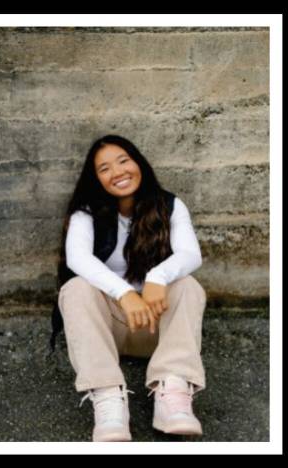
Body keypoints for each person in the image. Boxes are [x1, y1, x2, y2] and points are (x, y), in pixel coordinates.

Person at [57, 134, 206, 442]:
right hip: (106, 333)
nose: (118, 172)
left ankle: (173, 392)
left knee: (189, 286)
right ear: (96, 178)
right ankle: (109, 398)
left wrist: (157, 278)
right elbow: (77, 258)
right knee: (75, 289)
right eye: (105, 168)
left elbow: (190, 254)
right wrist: (124, 293)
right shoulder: (86, 213)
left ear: (139, 163)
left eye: (124, 161)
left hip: (157, 327)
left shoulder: (170, 205)